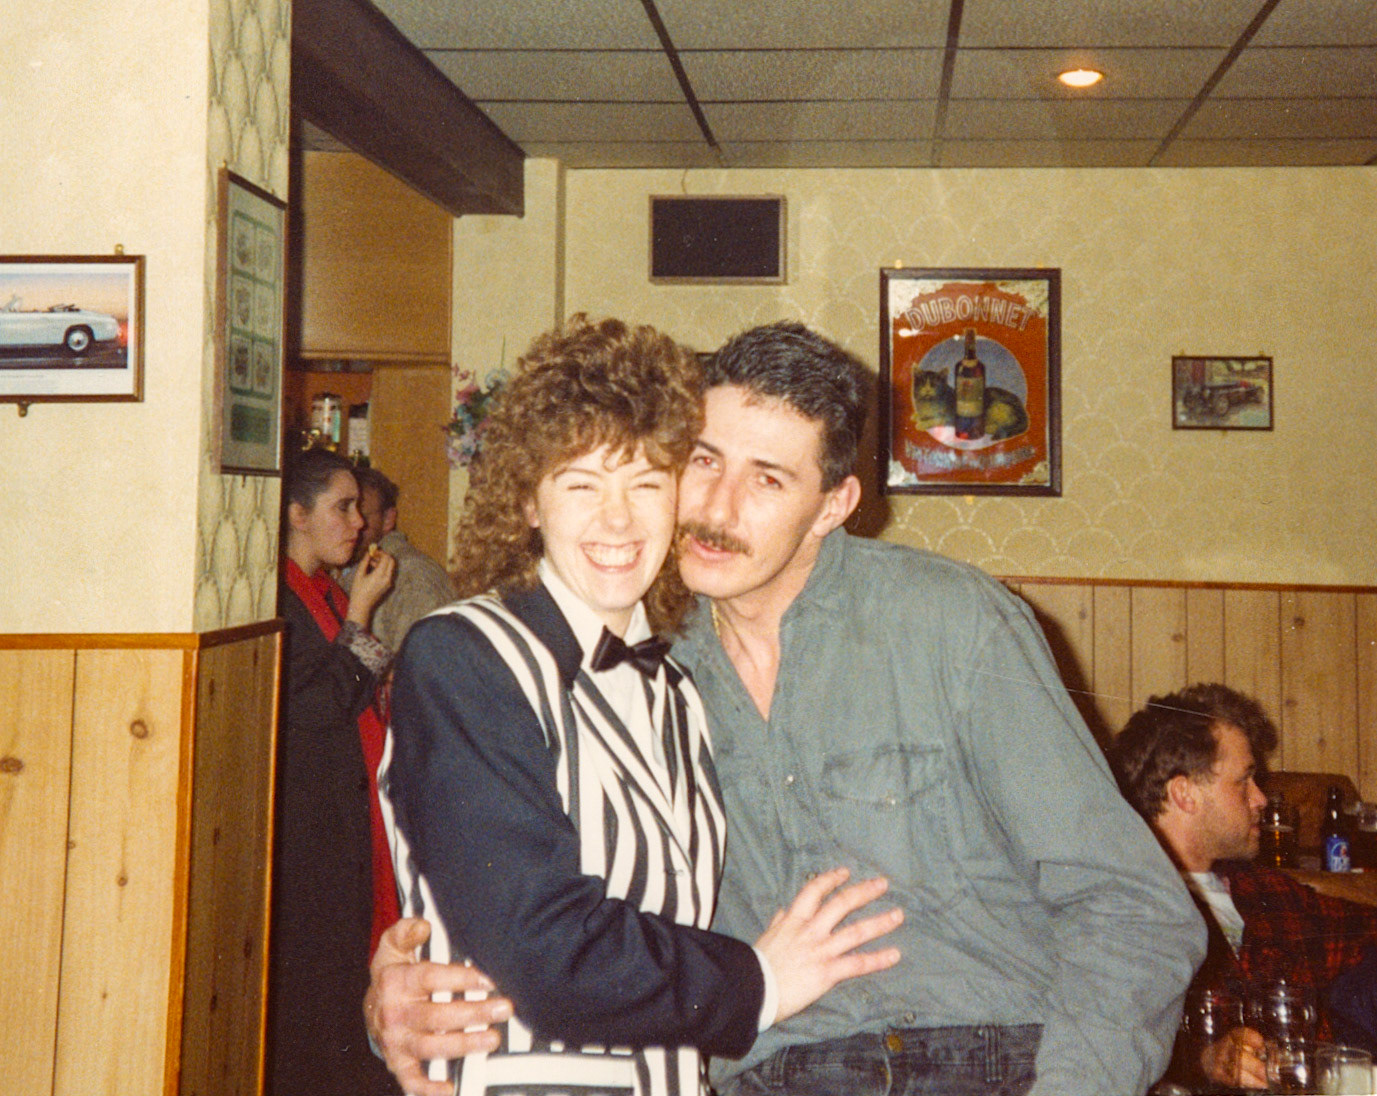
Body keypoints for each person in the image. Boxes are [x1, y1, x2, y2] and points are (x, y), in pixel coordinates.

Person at [366, 320, 1204, 1096]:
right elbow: (520, 899)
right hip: (761, 1071)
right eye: (701, 459)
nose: (716, 509)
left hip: (984, 1058)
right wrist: (399, 993)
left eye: (767, 479)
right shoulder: (634, 656)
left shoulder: (951, 625)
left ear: (833, 507)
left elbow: (1131, 909)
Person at [379, 315, 903, 1096]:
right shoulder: (463, 656)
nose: (617, 520)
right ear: (528, 501)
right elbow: (541, 949)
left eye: (646, 484)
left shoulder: (675, 688)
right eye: (580, 484)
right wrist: (758, 980)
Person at [1109, 682, 1377, 1091]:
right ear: (1185, 794)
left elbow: (1361, 928)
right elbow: (1111, 1039)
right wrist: (1206, 1058)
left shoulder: (1261, 891)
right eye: (1244, 781)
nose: (1262, 799)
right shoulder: (1119, 907)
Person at [270, 446, 399, 1096]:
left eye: (358, 507)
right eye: (341, 507)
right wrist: (361, 616)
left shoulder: (322, 588)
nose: (358, 523)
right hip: (311, 833)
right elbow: (317, 705)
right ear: (296, 512)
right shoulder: (279, 597)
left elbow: (348, 688)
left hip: (345, 820)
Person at [343, 465, 457, 652]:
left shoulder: (412, 578)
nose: (353, 523)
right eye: (343, 511)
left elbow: (419, 670)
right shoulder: (341, 569)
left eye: (362, 514)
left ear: (388, 519)